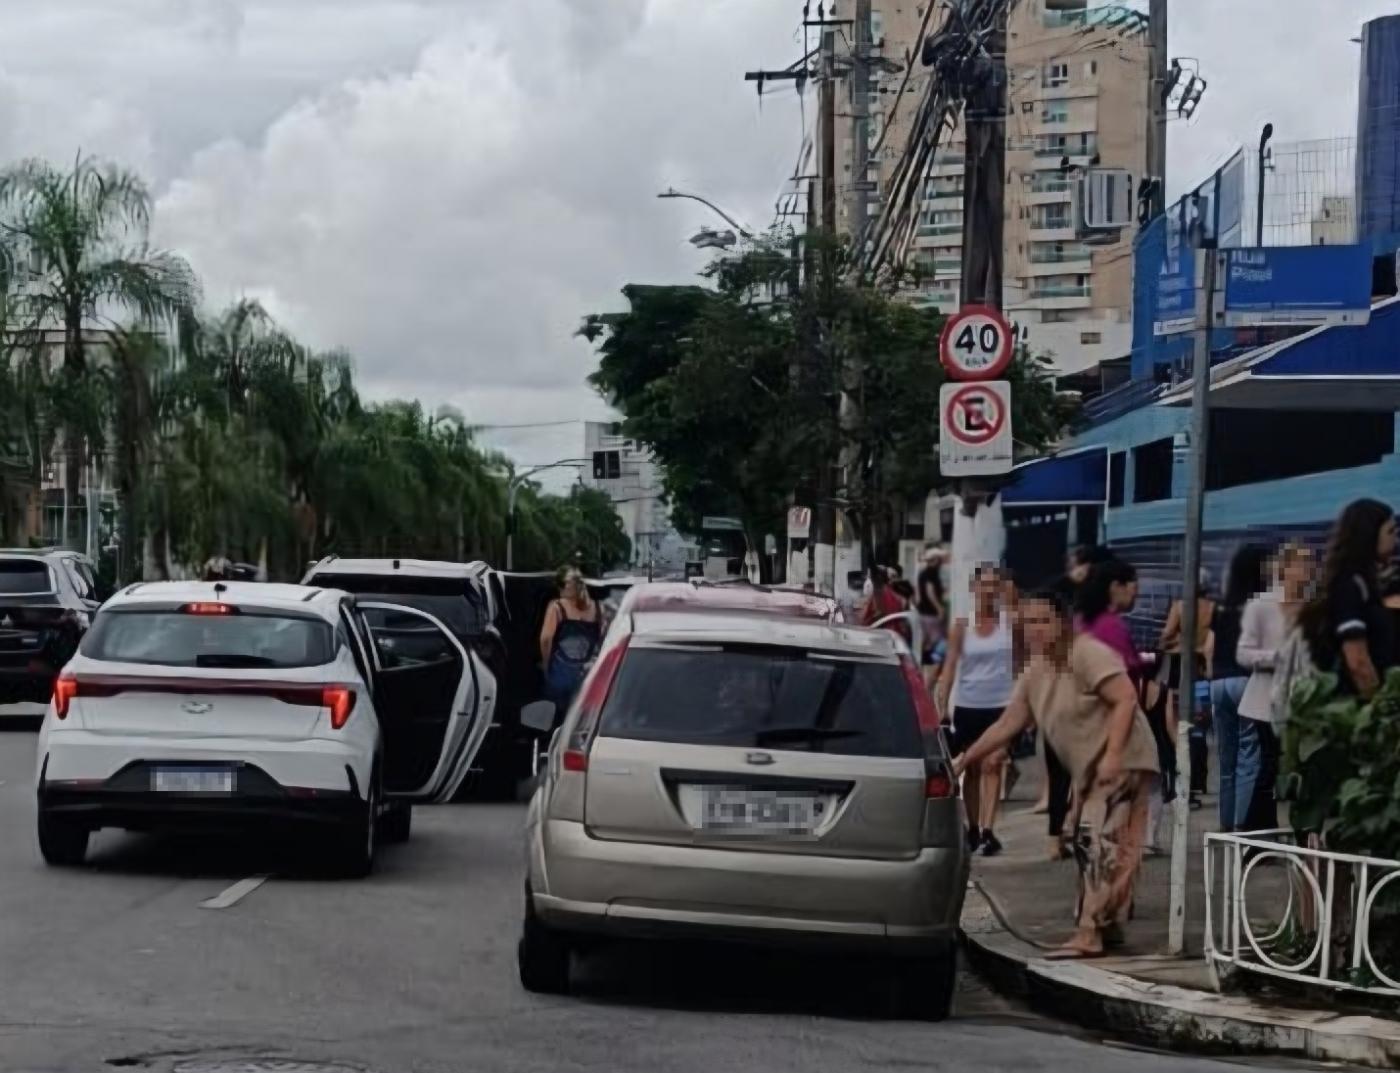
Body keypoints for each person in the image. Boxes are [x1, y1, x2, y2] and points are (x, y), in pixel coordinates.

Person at [955, 587, 1159, 958]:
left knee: (1099, 843)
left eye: (1042, 621)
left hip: (1122, 760)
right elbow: (1008, 723)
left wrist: (1113, 755)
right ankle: (1106, 925)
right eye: (1027, 622)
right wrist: (965, 759)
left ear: (1061, 622)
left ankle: (1089, 931)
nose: (1034, 629)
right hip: (1088, 768)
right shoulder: (1036, 671)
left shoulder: (1086, 652)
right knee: (1088, 842)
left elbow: (1125, 697)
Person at [1236, 542, 1314, 833]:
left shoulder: (1311, 607)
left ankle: (1300, 832)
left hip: (1302, 700)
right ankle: (1255, 833)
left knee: (1300, 766)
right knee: (1270, 764)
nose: (1307, 570)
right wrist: (1276, 658)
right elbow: (1243, 654)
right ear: (1285, 569)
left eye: (1310, 564)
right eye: (1301, 564)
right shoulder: (1261, 606)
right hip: (1265, 701)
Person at [938, 564, 1015, 857]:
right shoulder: (962, 626)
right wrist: (942, 706)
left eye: (994, 586)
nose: (989, 591)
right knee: (972, 768)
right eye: (984, 585)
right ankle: (972, 827)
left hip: (1001, 705)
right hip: (969, 705)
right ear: (974, 589)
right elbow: (950, 666)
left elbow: (1021, 663)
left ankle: (988, 830)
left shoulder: (1010, 624)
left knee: (993, 763)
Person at [1299, 498, 1398, 700]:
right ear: (1369, 535)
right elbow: (1357, 661)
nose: (1395, 540)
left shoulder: (1366, 582)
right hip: (1360, 702)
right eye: (1390, 532)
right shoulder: (1349, 585)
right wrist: (1378, 706)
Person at [1210, 545, 1270, 832]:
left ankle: (1224, 824)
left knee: (1226, 760)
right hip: (1246, 682)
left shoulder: (1222, 607)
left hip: (1218, 683)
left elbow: (1210, 647)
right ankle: (1240, 825)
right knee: (1249, 756)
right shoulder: (1260, 606)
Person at [1159, 570, 1215, 809]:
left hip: (1179, 673)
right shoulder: (1212, 608)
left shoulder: (1180, 607)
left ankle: (1178, 784)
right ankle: (1196, 783)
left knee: (1176, 729)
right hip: (1202, 672)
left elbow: (1164, 639)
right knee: (1198, 731)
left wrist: (1180, 642)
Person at [539, 566, 602, 712]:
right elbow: (601, 642)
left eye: (561, 584)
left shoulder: (557, 607)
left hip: (560, 672)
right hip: (587, 674)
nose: (559, 588)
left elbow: (546, 639)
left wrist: (546, 665)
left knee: (555, 714)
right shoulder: (598, 608)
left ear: (569, 585)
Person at [1076, 559, 1143, 679]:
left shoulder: (1079, 620)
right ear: (1116, 586)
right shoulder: (1112, 627)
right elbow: (1127, 675)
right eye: (1134, 585)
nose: (1137, 593)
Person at [916, 546, 948, 691]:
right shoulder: (931, 573)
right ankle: (929, 684)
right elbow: (930, 592)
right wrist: (939, 608)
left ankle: (922, 678)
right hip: (931, 615)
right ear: (935, 560)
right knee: (937, 648)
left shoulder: (922, 573)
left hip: (923, 613)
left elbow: (919, 594)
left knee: (926, 646)